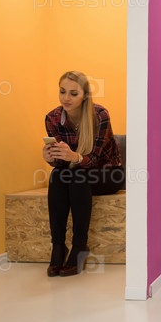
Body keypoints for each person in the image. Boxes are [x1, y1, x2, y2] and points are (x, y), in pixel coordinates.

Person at [42, 70, 124, 277]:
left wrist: (75, 157)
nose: (66, 98)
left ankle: (79, 246)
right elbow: (62, 164)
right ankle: (58, 246)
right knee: (57, 176)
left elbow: (95, 159)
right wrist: (51, 158)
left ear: (85, 95)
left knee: (78, 174)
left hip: (109, 172)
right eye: (62, 92)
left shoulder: (100, 115)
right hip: (76, 174)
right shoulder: (52, 118)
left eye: (73, 93)